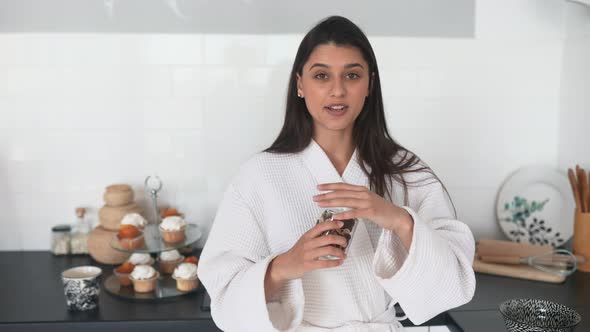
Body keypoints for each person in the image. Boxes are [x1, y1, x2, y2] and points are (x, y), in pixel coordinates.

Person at [197, 16, 476, 332]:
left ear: (369, 83)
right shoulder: (258, 176)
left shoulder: (406, 173)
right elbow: (223, 295)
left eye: (352, 75)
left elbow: (454, 283)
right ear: (300, 84)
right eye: (321, 76)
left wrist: (397, 219)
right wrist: (285, 265)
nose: (337, 91)